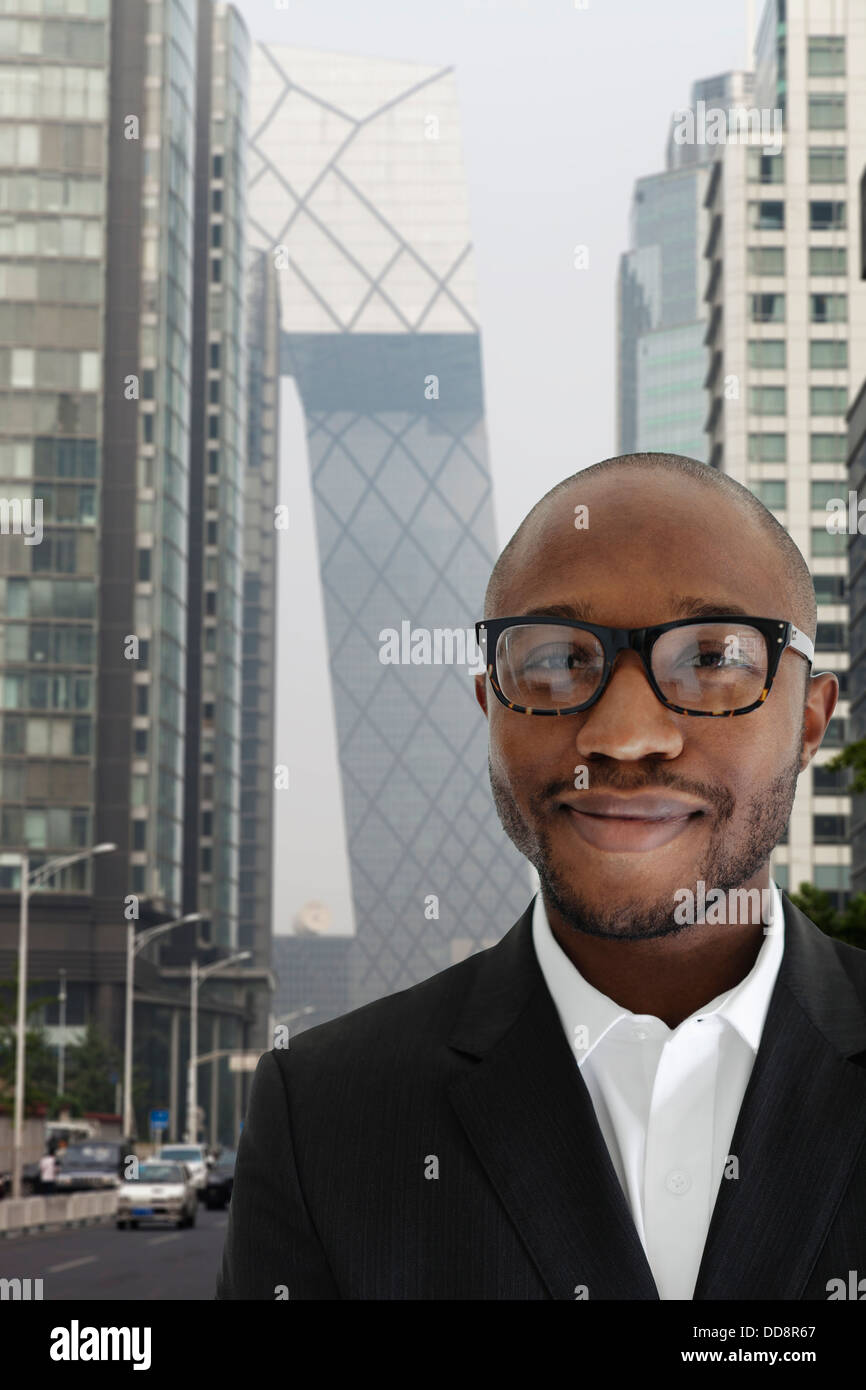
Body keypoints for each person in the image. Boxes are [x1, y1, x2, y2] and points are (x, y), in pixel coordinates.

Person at [217, 453, 866, 1301]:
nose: (626, 735)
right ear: (490, 708)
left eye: (711, 658)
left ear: (810, 720)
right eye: (557, 661)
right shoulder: (326, 1113)